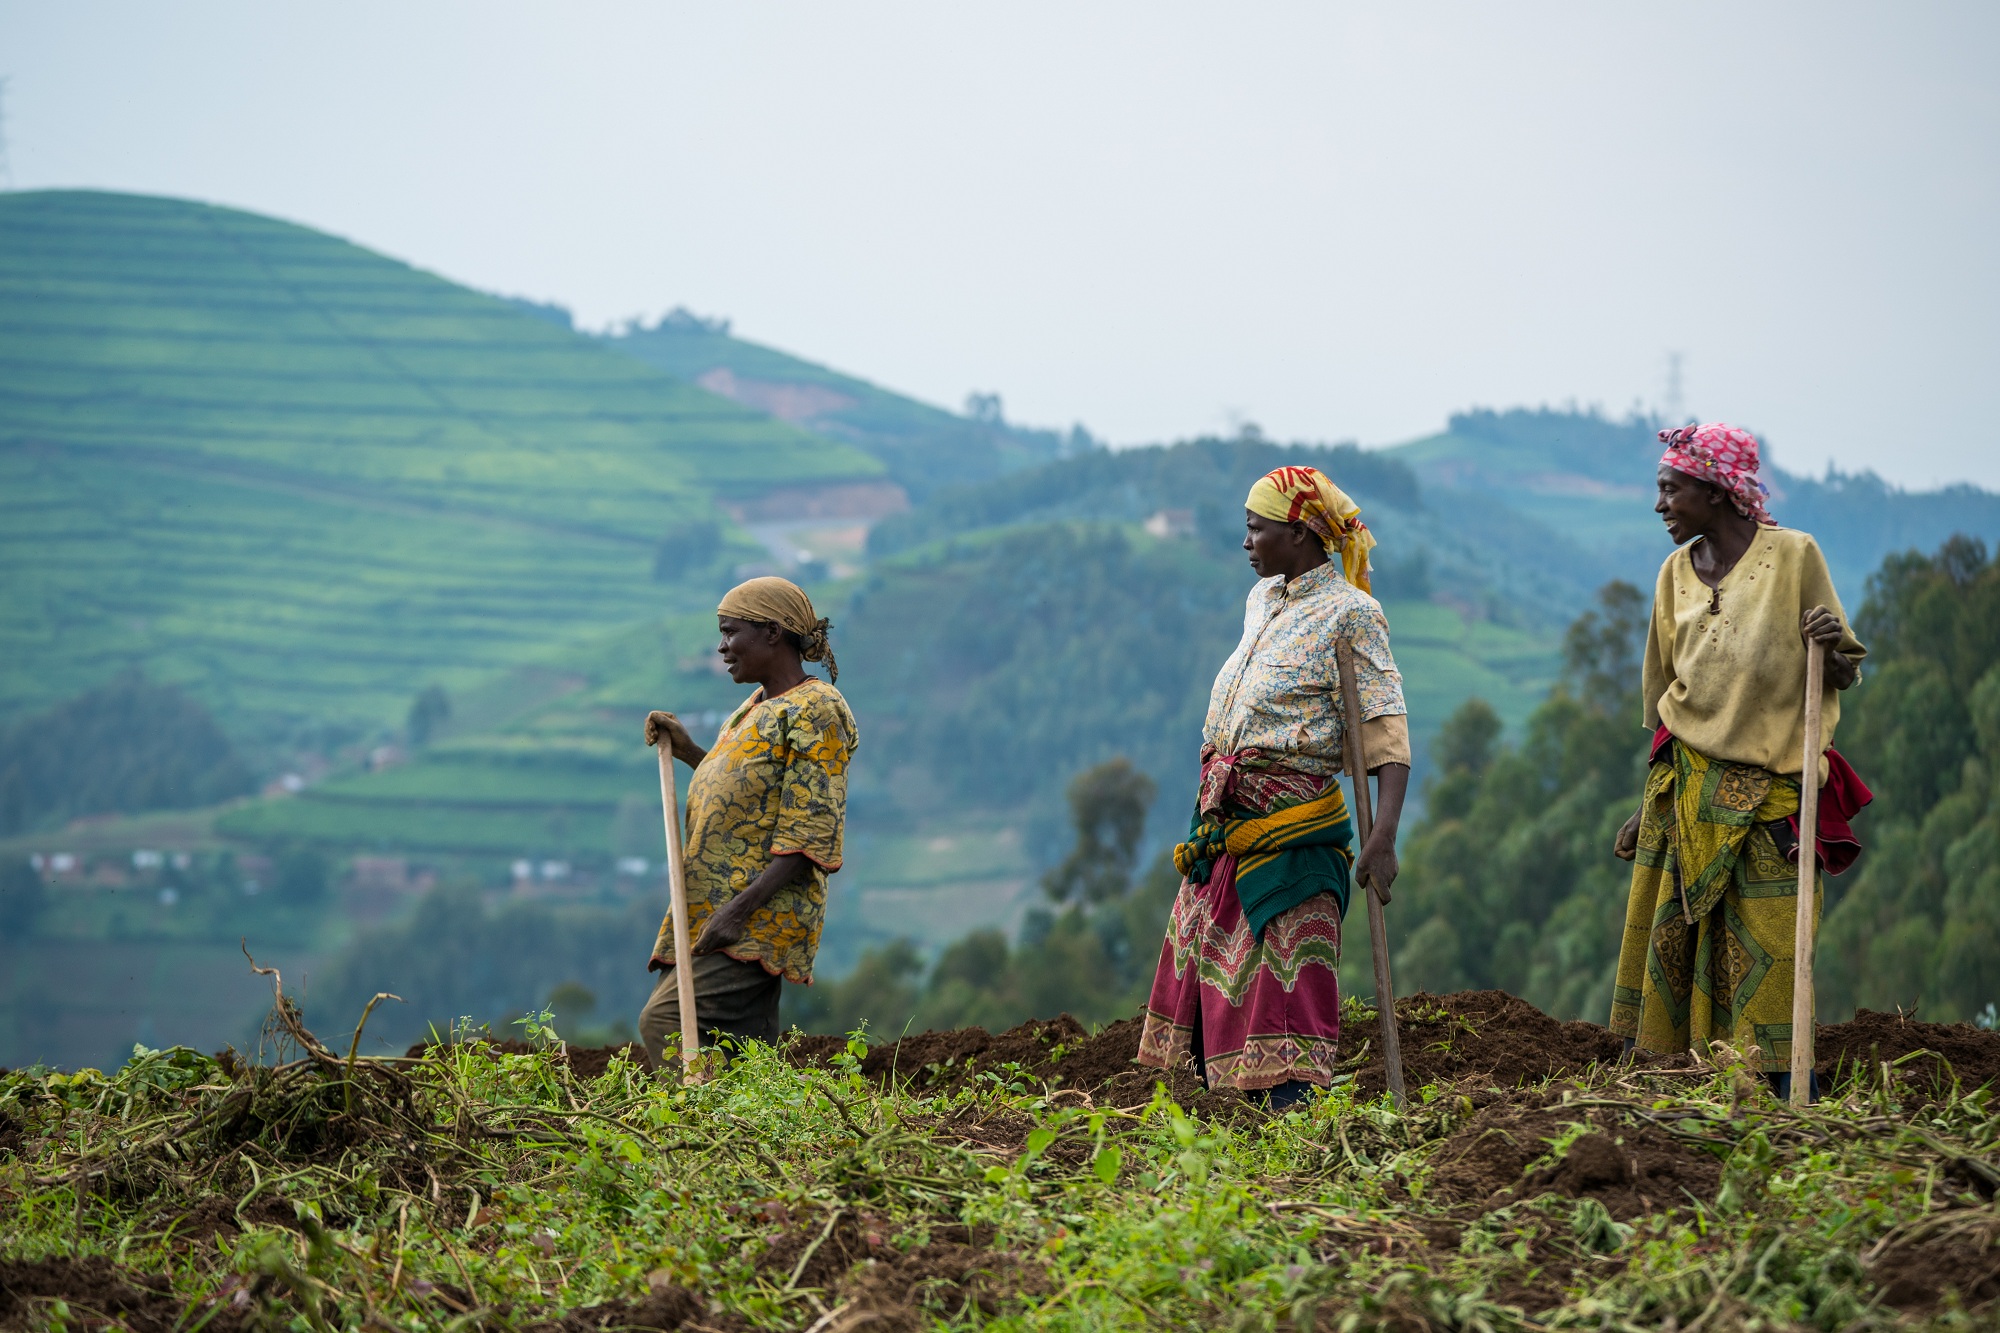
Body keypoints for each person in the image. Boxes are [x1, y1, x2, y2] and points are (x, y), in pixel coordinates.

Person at [1137, 465, 1411, 1107]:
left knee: (1282, 988)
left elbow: (1386, 739)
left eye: (1256, 529)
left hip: (1292, 834)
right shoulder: (1263, 600)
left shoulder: (1353, 615)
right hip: (1225, 830)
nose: (1246, 542)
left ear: (1301, 533)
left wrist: (1386, 834)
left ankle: (1290, 1119)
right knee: (1212, 977)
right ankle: (1219, 1114)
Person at [1609, 423, 1869, 1100]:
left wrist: (1830, 643)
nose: (1661, 505)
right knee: (1677, 951)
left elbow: (1838, 672)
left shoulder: (1793, 557)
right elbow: (1669, 704)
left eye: (1671, 490)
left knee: (1772, 956)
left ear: (1716, 491)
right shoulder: (1673, 576)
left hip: (1771, 800)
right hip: (1686, 798)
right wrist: (1647, 808)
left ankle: (1785, 1097)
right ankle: (1686, 1091)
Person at [638, 576, 857, 1065]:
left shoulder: (816, 710)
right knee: (743, 1053)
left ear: (773, 633)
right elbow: (745, 793)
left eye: (729, 632)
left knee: (668, 1023)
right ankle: (763, 1135)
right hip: (714, 912)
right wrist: (691, 750)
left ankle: (699, 1133)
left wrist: (736, 914)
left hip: (753, 919)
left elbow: (811, 834)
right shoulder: (754, 707)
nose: (721, 648)